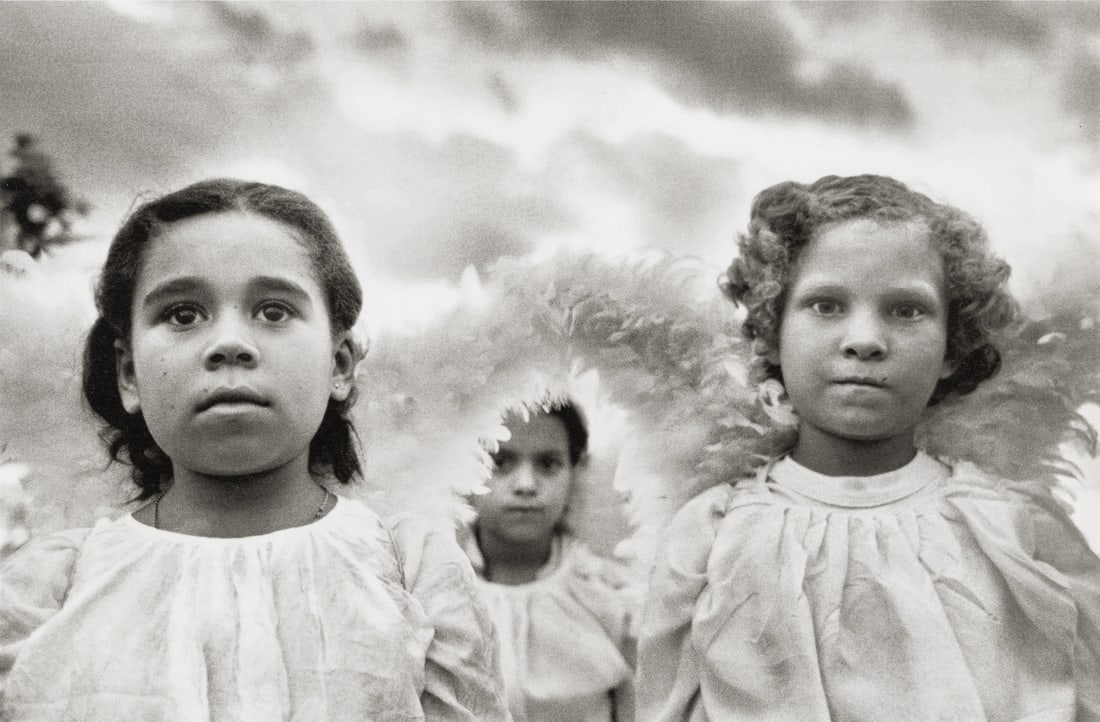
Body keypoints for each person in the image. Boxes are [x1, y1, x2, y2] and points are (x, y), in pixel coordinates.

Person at [0, 179, 508, 720]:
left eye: (273, 311)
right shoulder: (49, 590)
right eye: (183, 314)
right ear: (129, 373)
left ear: (339, 365)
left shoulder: (414, 569)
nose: (230, 344)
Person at [636, 174, 1100, 720]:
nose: (864, 340)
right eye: (826, 305)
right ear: (772, 331)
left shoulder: (1015, 529)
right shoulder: (710, 537)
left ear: (953, 346)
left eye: (906, 310)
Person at [464, 402, 634, 721]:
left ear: (575, 472)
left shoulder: (607, 592)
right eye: (500, 461)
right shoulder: (434, 588)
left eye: (548, 464)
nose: (526, 485)